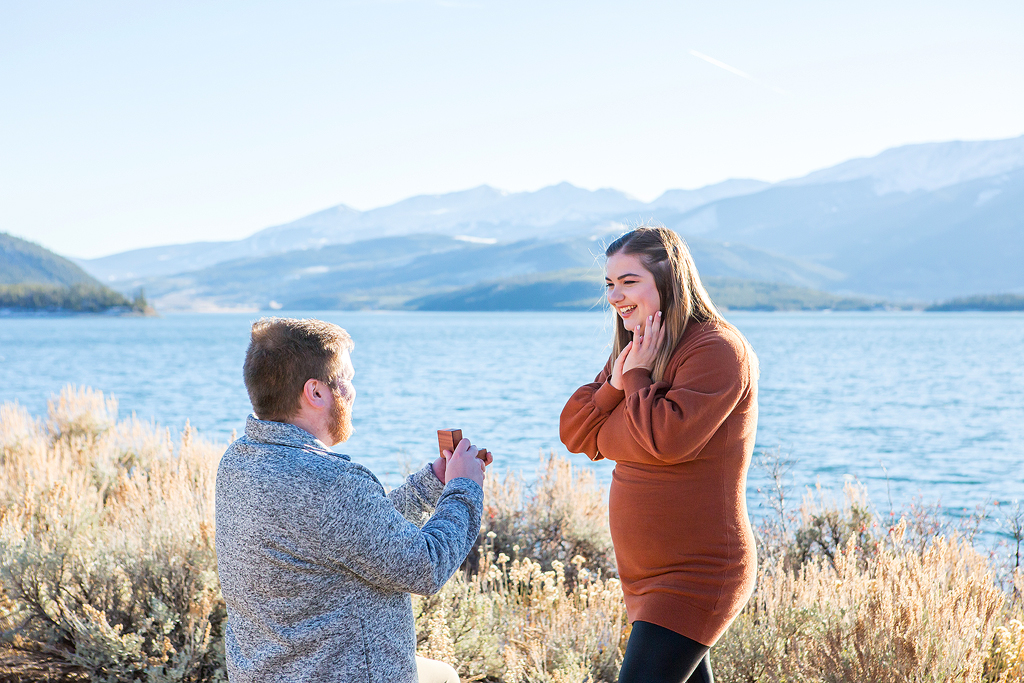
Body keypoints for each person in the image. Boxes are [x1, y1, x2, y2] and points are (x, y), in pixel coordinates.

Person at [216, 317, 491, 683]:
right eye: (347, 379)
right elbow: (426, 568)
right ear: (315, 392)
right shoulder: (330, 481)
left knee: (442, 675)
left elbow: (350, 533)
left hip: (269, 671)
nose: (353, 392)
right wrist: (464, 488)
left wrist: (432, 484)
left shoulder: (238, 461)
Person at [559, 226, 759, 683]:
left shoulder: (717, 349)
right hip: (644, 578)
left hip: (698, 572)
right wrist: (618, 381)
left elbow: (666, 441)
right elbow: (575, 433)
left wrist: (633, 389)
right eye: (610, 284)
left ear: (669, 280)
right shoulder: (635, 353)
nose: (615, 295)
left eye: (629, 281)